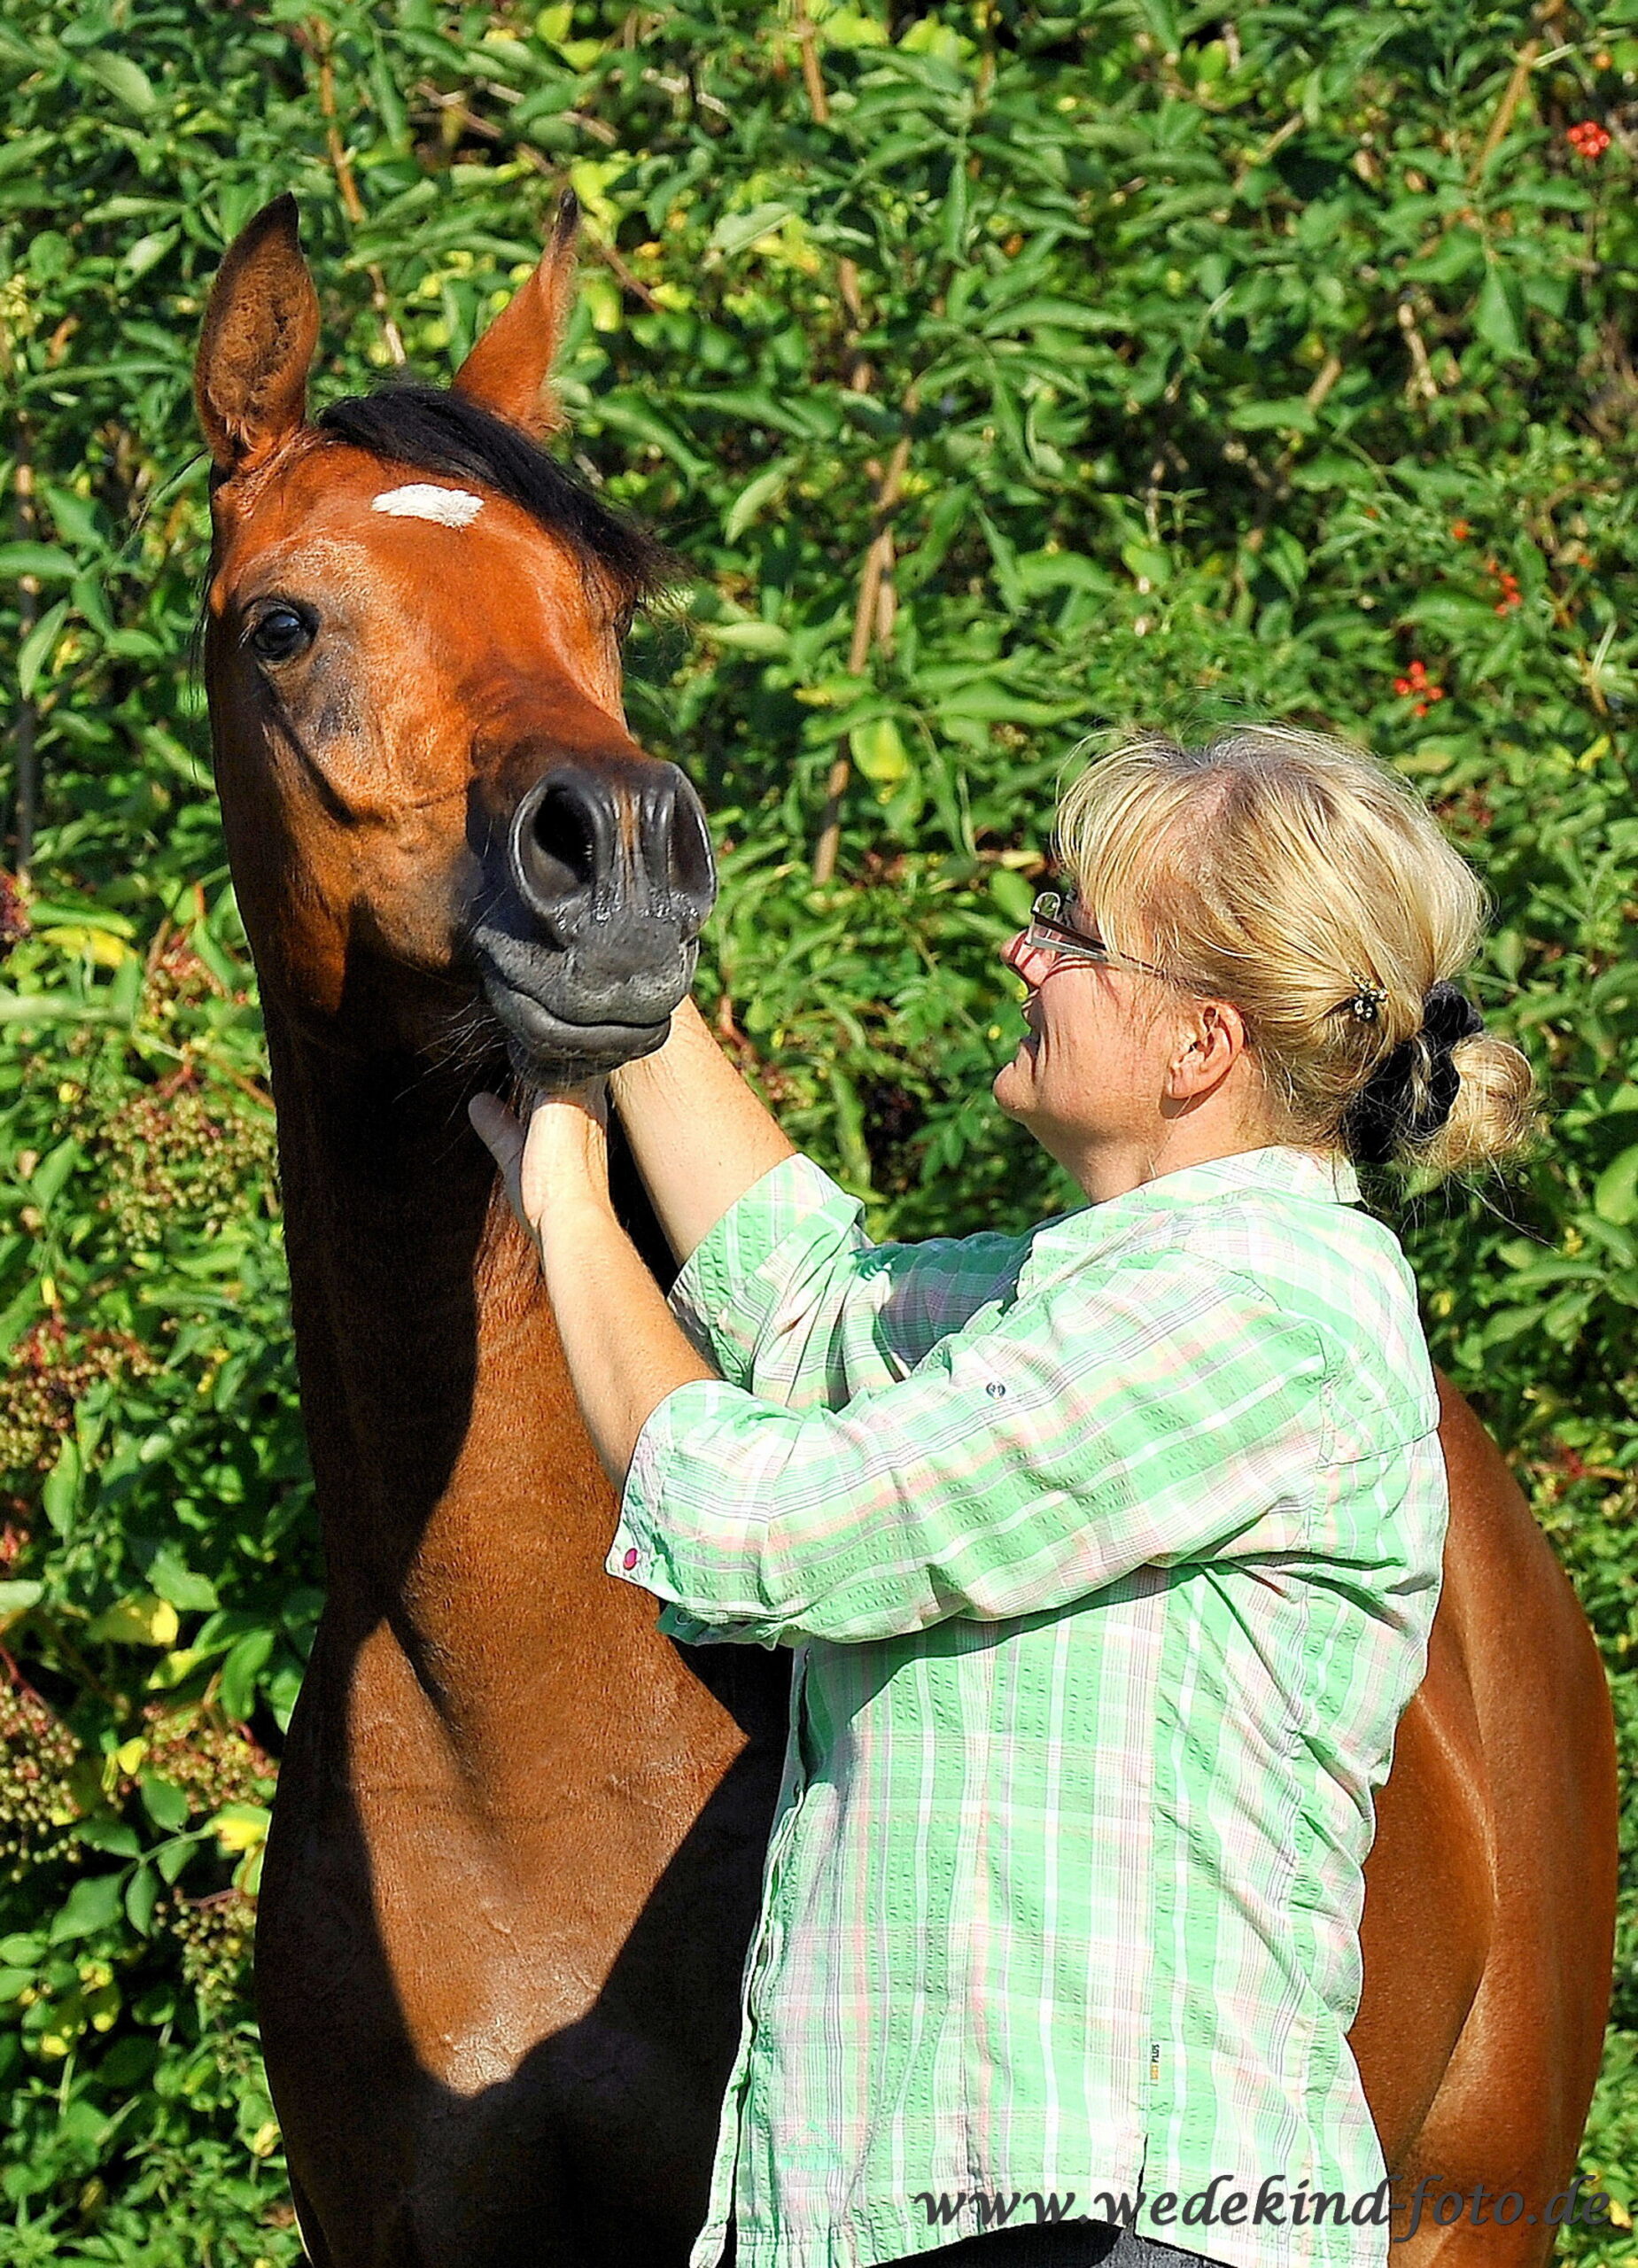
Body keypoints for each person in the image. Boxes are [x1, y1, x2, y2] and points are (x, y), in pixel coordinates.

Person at [470, 726, 1538, 2268]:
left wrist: (568, 1200)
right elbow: (806, 1309)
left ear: (1198, 1047)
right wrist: (633, 970)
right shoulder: (1099, 1292)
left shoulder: (1253, 1309)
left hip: (1109, 2231)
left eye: (1070, 931)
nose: (1022, 954)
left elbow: (762, 1526)